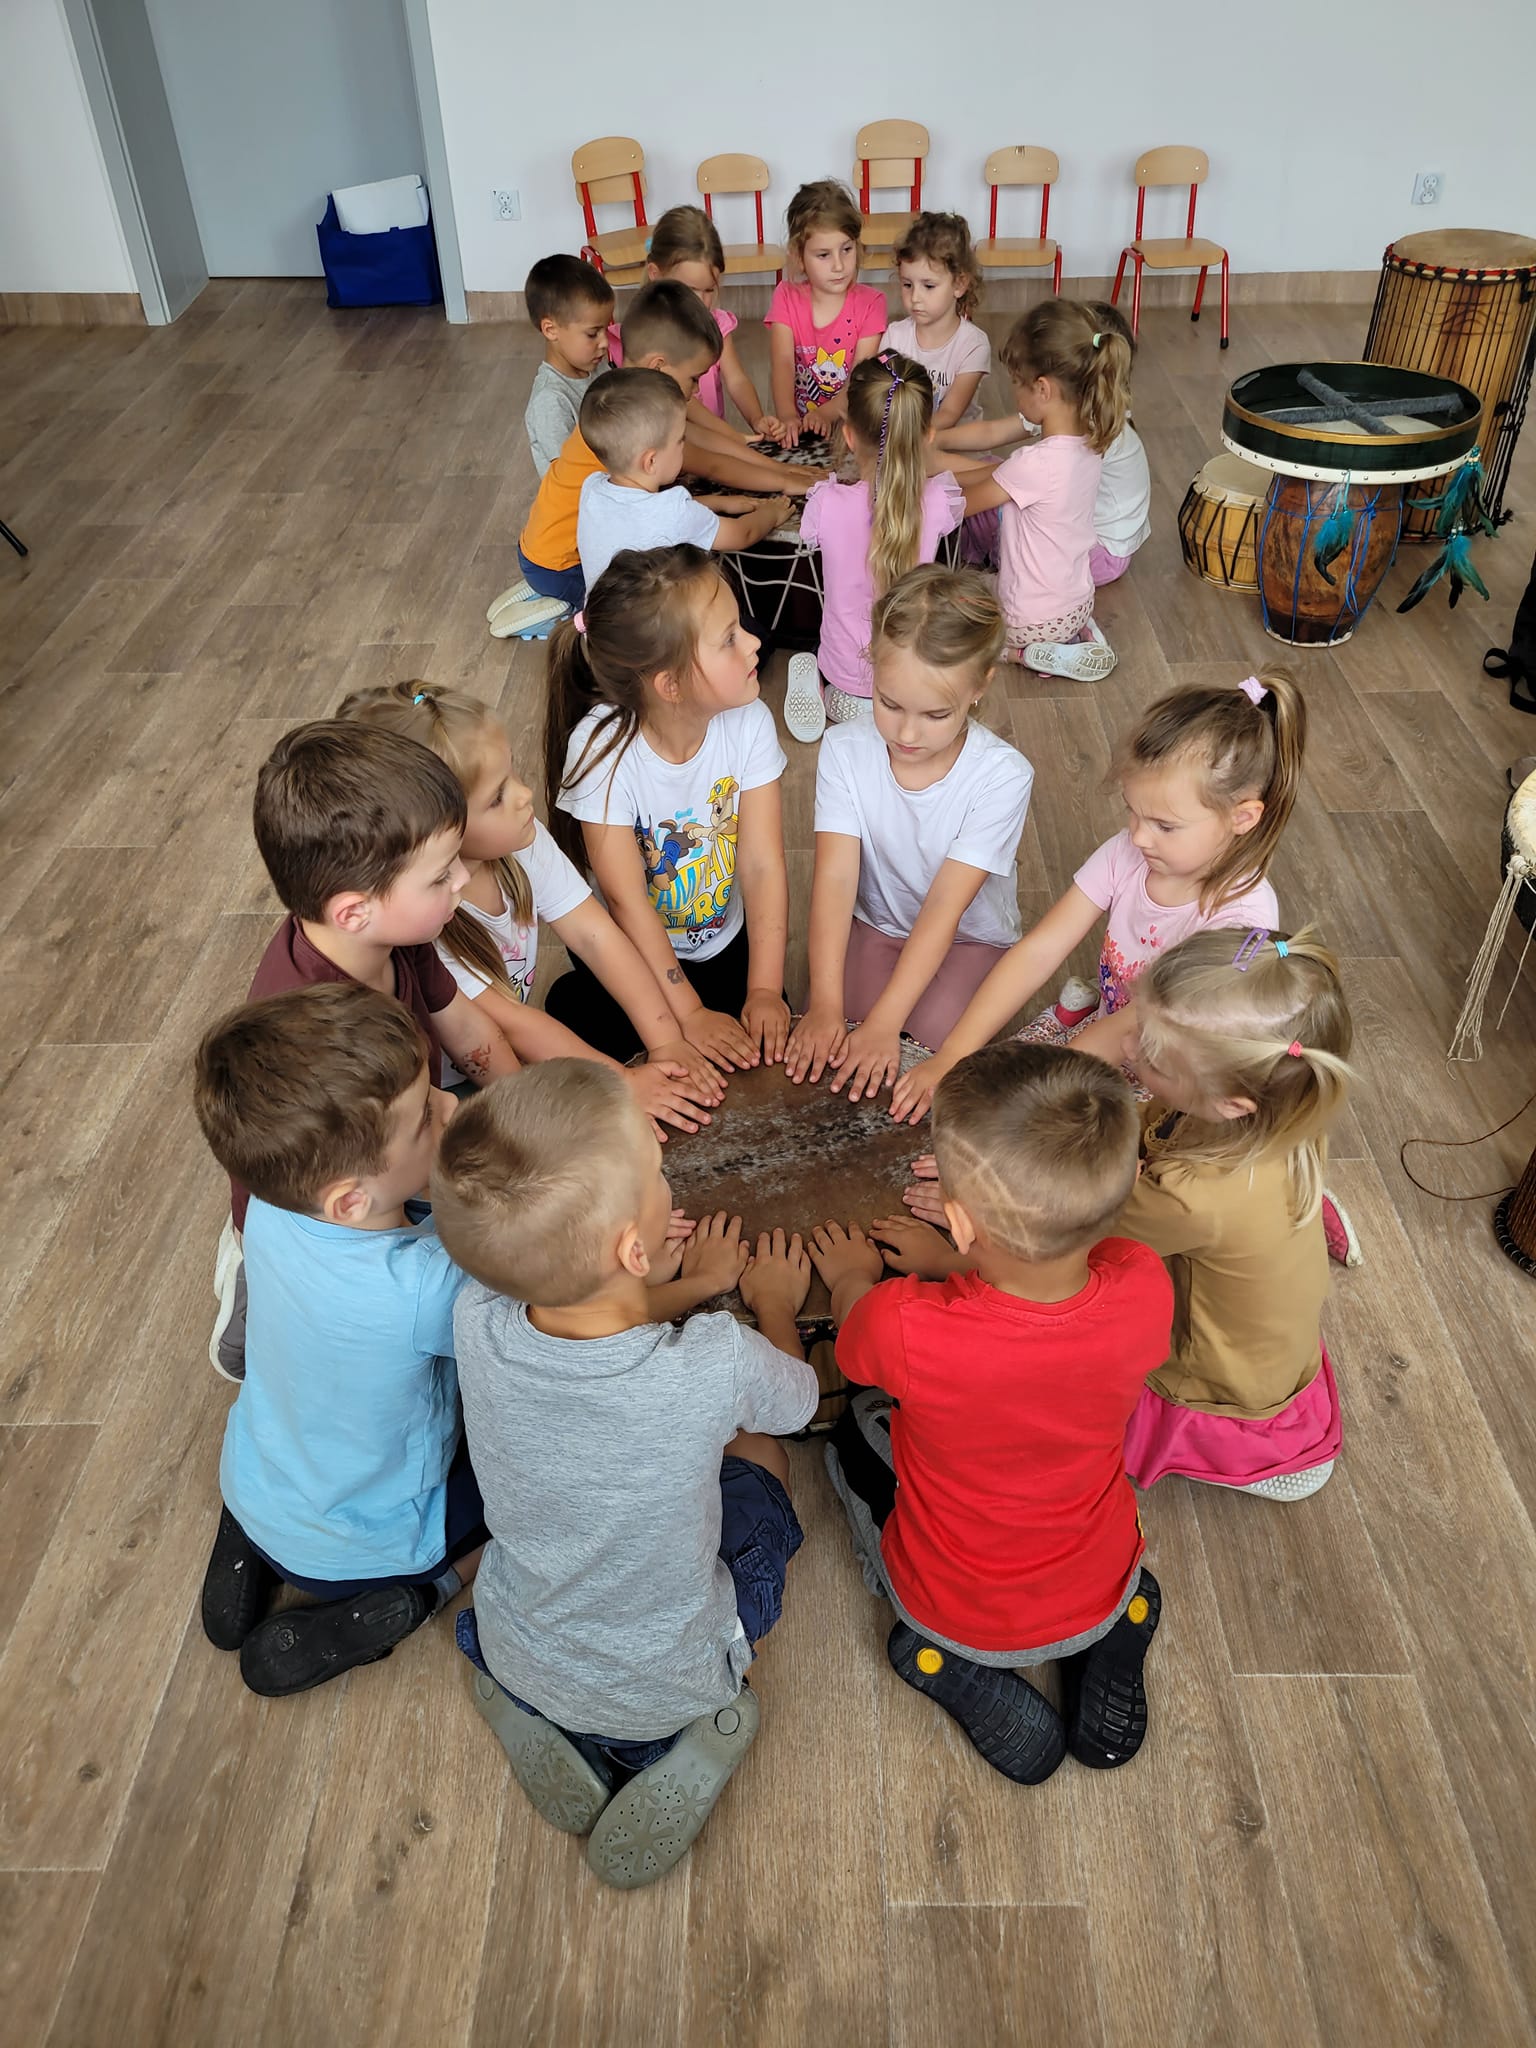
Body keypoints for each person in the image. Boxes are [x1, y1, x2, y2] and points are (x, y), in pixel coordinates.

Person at [434, 1061, 818, 1888]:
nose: (664, 1178)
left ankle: (533, 1703)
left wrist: (689, 1284)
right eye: (657, 1172)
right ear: (634, 1250)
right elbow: (797, 1403)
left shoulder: (476, 1315)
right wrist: (771, 1303)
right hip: (673, 1679)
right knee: (762, 1456)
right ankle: (674, 1739)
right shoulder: (714, 1363)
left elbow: (591, 1320)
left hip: (516, 1635)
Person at [808, 1042, 1174, 1783]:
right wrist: (952, 1263)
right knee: (1105, 1564)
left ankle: (946, 1659)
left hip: (955, 1607)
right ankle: (1112, 1627)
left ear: (960, 1222)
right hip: (1102, 1573)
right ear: (1127, 1185)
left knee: (854, 1431)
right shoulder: (1144, 1284)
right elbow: (1049, 1318)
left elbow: (854, 1348)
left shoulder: (905, 1326)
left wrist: (852, 1278)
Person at [195, 983, 485, 1696]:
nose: (450, 1107)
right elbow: (536, 1318)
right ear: (351, 1199)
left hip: (255, 1475)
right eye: (426, 1118)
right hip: (377, 1540)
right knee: (540, 1490)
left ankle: (253, 1537)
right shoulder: (427, 1288)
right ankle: (429, 1590)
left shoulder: (272, 1206)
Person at [208, 721, 520, 1382]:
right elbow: (337, 1194)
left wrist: (526, 1124)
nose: (464, 877)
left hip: (390, 1140)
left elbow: (471, 1034)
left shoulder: (400, 931)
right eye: (441, 875)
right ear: (354, 912)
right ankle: (252, 1297)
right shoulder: (310, 1021)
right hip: (313, 1208)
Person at [891, 671, 1304, 1123]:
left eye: (1165, 826)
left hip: (1173, 1077)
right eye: (1133, 811)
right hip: (1108, 1038)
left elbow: (1142, 1027)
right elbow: (1040, 950)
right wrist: (955, 1052)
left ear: (1242, 818)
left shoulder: (1242, 920)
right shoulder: (1128, 853)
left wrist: (1042, 1098)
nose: (1138, 836)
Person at [333, 678, 724, 1131]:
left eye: (513, 773)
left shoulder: (522, 839)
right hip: (442, 1090)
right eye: (496, 797)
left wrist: (666, 1042)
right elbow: (511, 1024)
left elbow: (595, 935)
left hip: (507, 1056)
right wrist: (620, 1082)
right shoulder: (423, 917)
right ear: (437, 826)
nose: (525, 795)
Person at [1116, 927, 1354, 1499]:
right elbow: (1157, 1120)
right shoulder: (1289, 1115)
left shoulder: (1191, 1196)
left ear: (1230, 1105)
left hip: (1218, 1372)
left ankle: (1255, 1455)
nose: (1126, 1047)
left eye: (1151, 1055)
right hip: (1270, 1348)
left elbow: (1083, 1231)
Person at [784, 565, 1033, 1097]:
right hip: (876, 925)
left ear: (980, 686)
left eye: (935, 714)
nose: (907, 732)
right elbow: (834, 879)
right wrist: (825, 1004)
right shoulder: (843, 750)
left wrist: (884, 1024)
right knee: (831, 1048)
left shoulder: (1004, 776)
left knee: (922, 1059)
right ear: (871, 667)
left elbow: (945, 907)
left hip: (969, 938)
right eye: (889, 703)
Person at [543, 543, 791, 1072]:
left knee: (763, 1046)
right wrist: (688, 1012)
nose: (754, 643)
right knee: (611, 1037)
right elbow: (625, 899)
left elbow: (762, 864)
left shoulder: (750, 722)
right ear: (671, 684)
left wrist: (766, 989)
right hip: (634, 955)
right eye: (729, 638)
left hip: (724, 944)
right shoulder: (600, 749)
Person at [492, 282, 821, 641]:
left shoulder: (625, 394)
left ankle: (541, 585)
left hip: (540, 545)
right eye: (694, 379)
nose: (696, 391)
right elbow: (711, 463)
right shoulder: (642, 428)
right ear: (660, 366)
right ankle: (561, 607)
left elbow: (707, 439)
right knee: (633, 608)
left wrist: (777, 467)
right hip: (565, 562)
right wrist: (784, 481)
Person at [941, 301, 1132, 679]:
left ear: (1043, 389)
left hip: (1027, 620)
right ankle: (1079, 634)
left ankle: (1018, 653)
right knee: (983, 583)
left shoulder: (1033, 462)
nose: (1014, 391)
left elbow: (959, 506)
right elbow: (994, 477)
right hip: (1078, 602)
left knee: (949, 602)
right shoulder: (1093, 441)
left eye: (1016, 381)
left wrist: (917, 481)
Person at [783, 351, 966, 744]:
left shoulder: (825, 503)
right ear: (927, 435)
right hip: (909, 687)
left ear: (848, 436)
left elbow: (809, 536)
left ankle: (816, 681)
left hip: (844, 689)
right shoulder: (938, 500)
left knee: (826, 657)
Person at [575, 365, 791, 589]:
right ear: (651, 461)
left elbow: (642, 514)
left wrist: (718, 502)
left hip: (601, 610)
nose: (684, 446)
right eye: (681, 440)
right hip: (654, 613)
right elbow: (742, 534)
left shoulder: (592, 488)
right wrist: (771, 513)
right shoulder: (674, 512)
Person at [608, 203, 787, 441]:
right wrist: (732, 438)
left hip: (715, 443)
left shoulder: (716, 324)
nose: (701, 302)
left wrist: (756, 419)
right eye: (690, 289)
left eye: (709, 290)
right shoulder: (640, 337)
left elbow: (736, 380)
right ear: (655, 274)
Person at [766, 180, 888, 442]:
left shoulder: (872, 303)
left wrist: (826, 413)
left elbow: (859, 377)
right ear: (799, 257)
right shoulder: (785, 296)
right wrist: (787, 415)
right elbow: (783, 362)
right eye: (823, 255)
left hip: (851, 431)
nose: (839, 265)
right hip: (801, 428)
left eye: (846, 249)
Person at [881, 212, 991, 431]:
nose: (915, 297)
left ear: (959, 285)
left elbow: (949, 414)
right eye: (907, 285)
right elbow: (880, 389)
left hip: (955, 444)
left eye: (928, 286)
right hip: (903, 440)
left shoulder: (974, 345)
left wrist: (905, 433)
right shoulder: (894, 336)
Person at [522, 253, 615, 478]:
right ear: (551, 330)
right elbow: (572, 478)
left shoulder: (597, 367)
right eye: (592, 334)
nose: (604, 342)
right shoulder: (550, 401)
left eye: (605, 329)